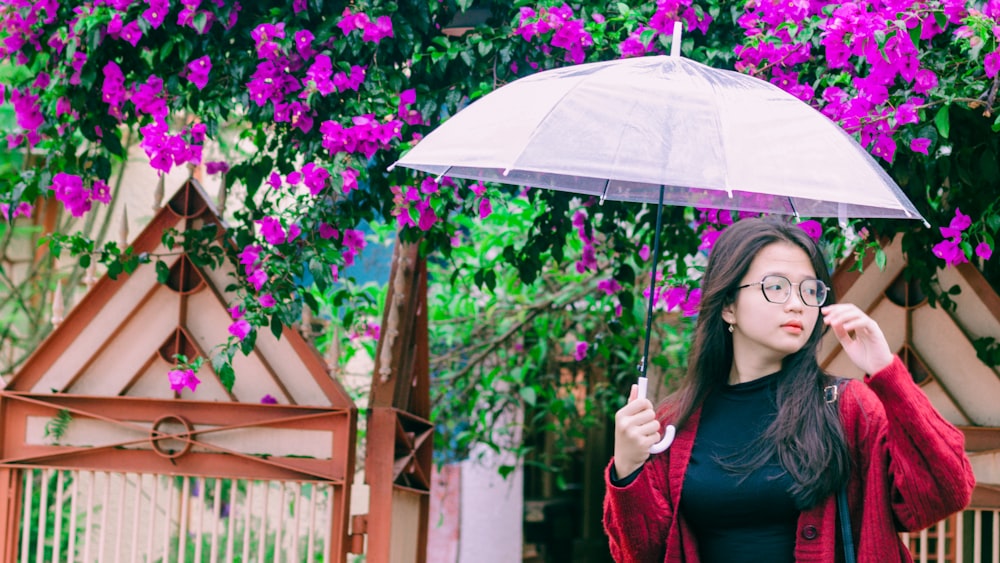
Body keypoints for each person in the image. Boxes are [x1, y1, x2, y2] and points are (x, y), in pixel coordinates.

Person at [603, 217, 975, 563]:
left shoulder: (846, 408)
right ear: (729, 306)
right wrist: (628, 469)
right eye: (776, 287)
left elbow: (944, 492)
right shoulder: (672, 424)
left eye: (810, 289)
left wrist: (886, 372)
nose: (797, 304)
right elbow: (641, 553)